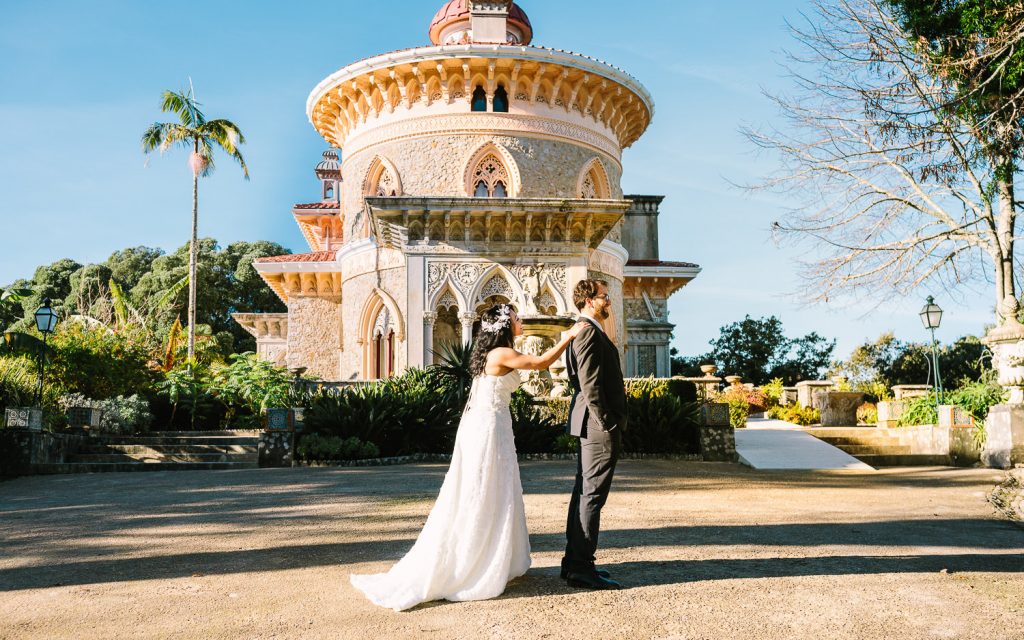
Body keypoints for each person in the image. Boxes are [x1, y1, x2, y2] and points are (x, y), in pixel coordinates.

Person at [350, 304, 587, 611]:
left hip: (493, 424)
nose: (520, 321)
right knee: (484, 491)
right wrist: (567, 336)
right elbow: (540, 361)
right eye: (516, 318)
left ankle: (493, 557)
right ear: (504, 325)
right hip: (488, 427)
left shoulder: (495, 352)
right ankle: (470, 564)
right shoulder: (500, 353)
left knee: (496, 489)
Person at [561, 279, 627, 590]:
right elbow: (589, 384)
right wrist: (607, 423)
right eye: (604, 296)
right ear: (589, 300)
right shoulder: (587, 331)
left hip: (591, 423)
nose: (609, 301)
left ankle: (575, 563)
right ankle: (581, 567)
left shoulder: (586, 329)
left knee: (585, 494)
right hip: (596, 425)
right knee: (591, 496)